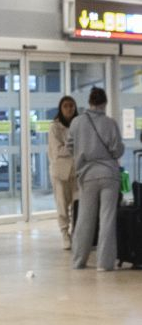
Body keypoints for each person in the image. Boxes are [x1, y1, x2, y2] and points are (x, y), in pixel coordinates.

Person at [67, 87, 124, 271]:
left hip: (87, 175)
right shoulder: (110, 123)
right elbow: (116, 150)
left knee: (84, 218)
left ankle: (78, 261)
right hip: (109, 174)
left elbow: (69, 146)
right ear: (104, 103)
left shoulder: (76, 122)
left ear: (89, 102)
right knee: (107, 219)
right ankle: (104, 264)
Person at [48, 95, 78, 249]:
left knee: (77, 205)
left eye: (71, 106)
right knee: (62, 205)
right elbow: (58, 150)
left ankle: (76, 234)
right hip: (60, 172)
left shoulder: (79, 124)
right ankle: (65, 233)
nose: (69, 109)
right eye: (65, 106)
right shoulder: (54, 127)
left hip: (77, 171)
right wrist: (74, 147)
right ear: (60, 108)